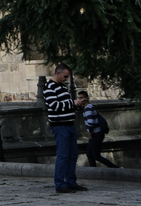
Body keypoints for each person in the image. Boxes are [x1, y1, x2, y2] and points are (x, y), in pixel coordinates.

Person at [44, 63, 87, 193]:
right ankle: (60, 184)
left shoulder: (62, 87)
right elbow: (54, 106)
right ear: (58, 73)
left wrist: (77, 104)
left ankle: (71, 182)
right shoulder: (49, 87)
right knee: (63, 155)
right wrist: (72, 102)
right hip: (60, 126)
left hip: (69, 124)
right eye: (65, 76)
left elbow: (66, 105)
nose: (67, 79)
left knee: (72, 155)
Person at [80, 91, 118, 168]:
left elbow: (91, 123)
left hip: (95, 134)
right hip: (96, 134)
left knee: (96, 156)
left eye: (81, 98)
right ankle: (93, 171)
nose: (80, 100)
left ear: (86, 98)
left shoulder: (88, 108)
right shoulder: (89, 107)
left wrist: (90, 135)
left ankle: (115, 168)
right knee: (90, 154)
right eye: (79, 98)